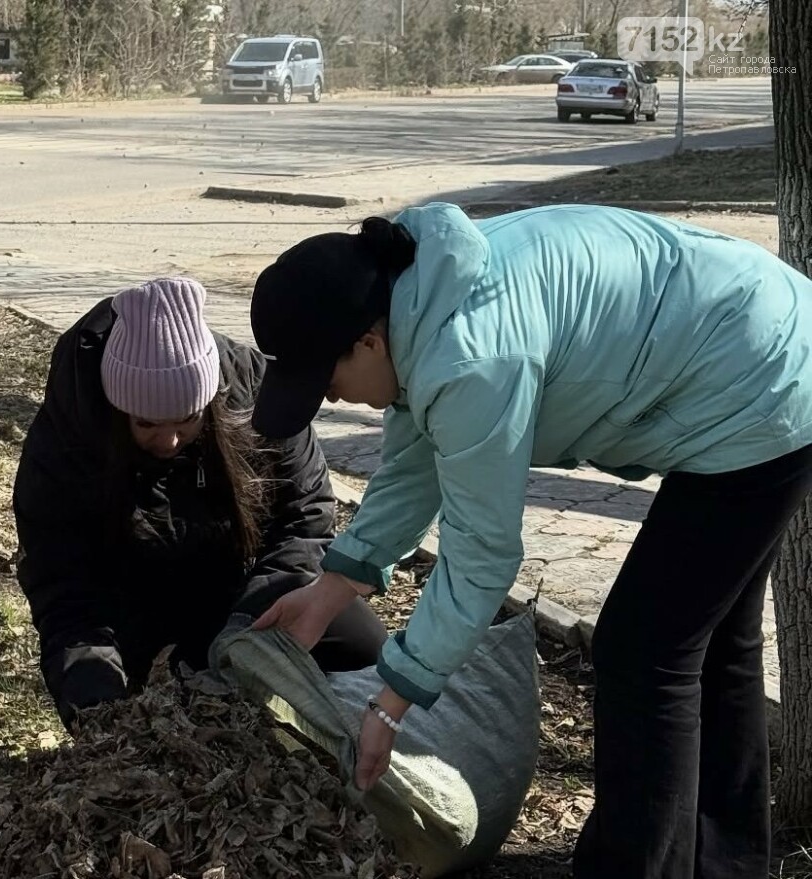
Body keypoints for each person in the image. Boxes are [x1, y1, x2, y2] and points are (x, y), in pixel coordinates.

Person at [247, 201, 812, 879]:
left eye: (328, 381)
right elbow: (413, 466)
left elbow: (481, 559)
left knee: (643, 652)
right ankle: (727, 865)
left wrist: (391, 702)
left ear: (368, 342)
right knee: (709, 640)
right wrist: (331, 591)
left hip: (761, 382)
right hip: (760, 342)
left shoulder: (470, 356)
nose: (334, 401)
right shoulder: (422, 302)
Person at [13, 277, 387, 726]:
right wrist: (94, 700)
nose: (169, 440)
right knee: (137, 705)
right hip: (132, 610)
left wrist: (248, 623)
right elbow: (62, 585)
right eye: (146, 424)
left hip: (249, 592)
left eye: (187, 420)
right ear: (117, 410)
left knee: (364, 647)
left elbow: (305, 518)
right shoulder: (67, 438)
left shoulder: (259, 398)